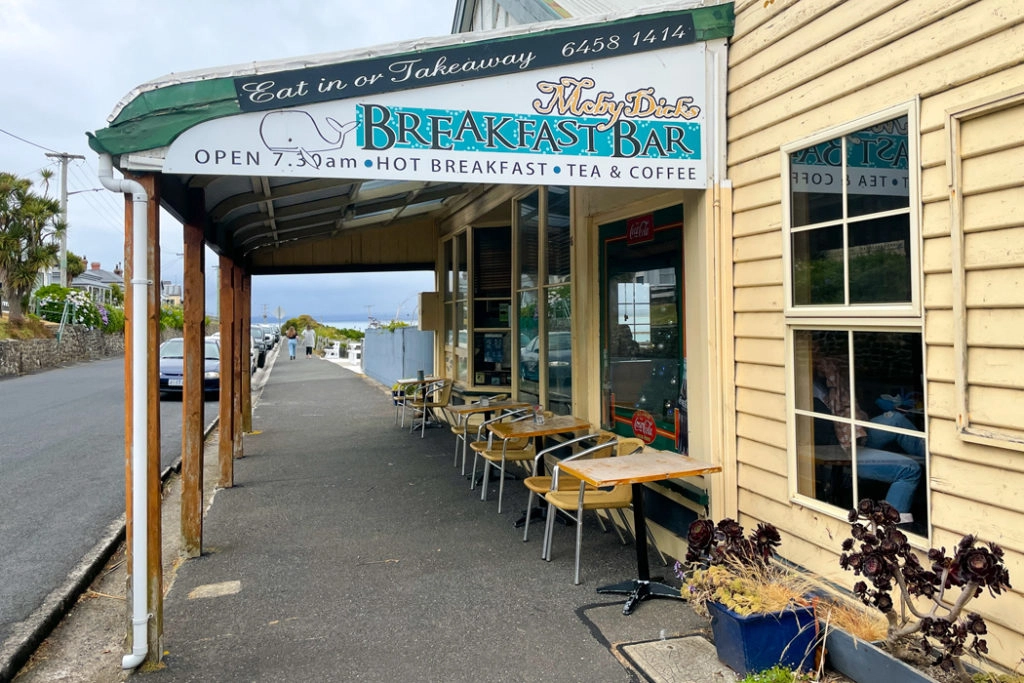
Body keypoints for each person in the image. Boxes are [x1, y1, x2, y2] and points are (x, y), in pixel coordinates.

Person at [812, 356, 922, 524]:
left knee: (895, 419)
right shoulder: (805, 392)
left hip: (855, 433)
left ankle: (937, 463)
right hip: (844, 448)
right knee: (909, 470)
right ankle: (890, 530)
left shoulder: (825, 380)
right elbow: (826, 440)